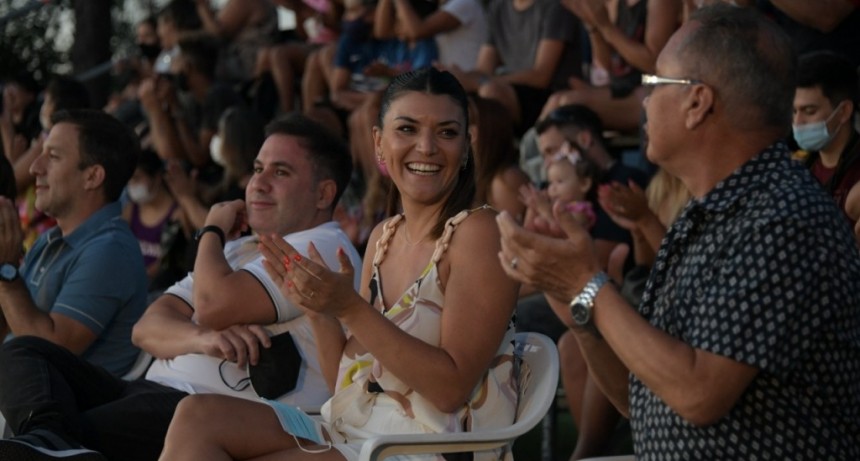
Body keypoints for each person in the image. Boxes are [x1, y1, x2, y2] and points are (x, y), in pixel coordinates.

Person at [497, 5, 860, 458]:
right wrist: (581, 315)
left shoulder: (783, 218)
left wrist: (587, 285)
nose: (644, 101)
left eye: (654, 84)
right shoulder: (706, 214)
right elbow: (643, 398)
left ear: (697, 102)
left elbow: (698, 394)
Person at [158, 67, 521, 461]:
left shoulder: (481, 232)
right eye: (407, 130)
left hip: (422, 449)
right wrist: (319, 311)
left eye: (447, 132)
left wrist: (350, 307)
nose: (427, 146)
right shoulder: (384, 237)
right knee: (196, 416)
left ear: (466, 147)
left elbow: (452, 388)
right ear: (379, 145)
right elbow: (347, 384)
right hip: (358, 434)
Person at [0, 113, 363, 461]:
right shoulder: (241, 248)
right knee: (27, 353)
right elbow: (147, 329)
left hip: (215, 413)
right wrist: (201, 338)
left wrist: (211, 231)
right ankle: (50, 443)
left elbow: (212, 305)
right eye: (256, 169)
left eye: (280, 172)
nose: (258, 182)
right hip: (149, 389)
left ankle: (53, 446)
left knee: (79, 431)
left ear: (323, 194)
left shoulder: (322, 247)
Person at [0, 109, 148, 376]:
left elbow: (49, 352)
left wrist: (6, 273)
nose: (35, 167)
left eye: (53, 156)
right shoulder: (50, 240)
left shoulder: (109, 251)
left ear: (92, 177)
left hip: (61, 411)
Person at [792, 50, 860, 227]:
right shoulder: (797, 168)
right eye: (793, 111)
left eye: (809, 111)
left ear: (844, 111)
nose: (798, 122)